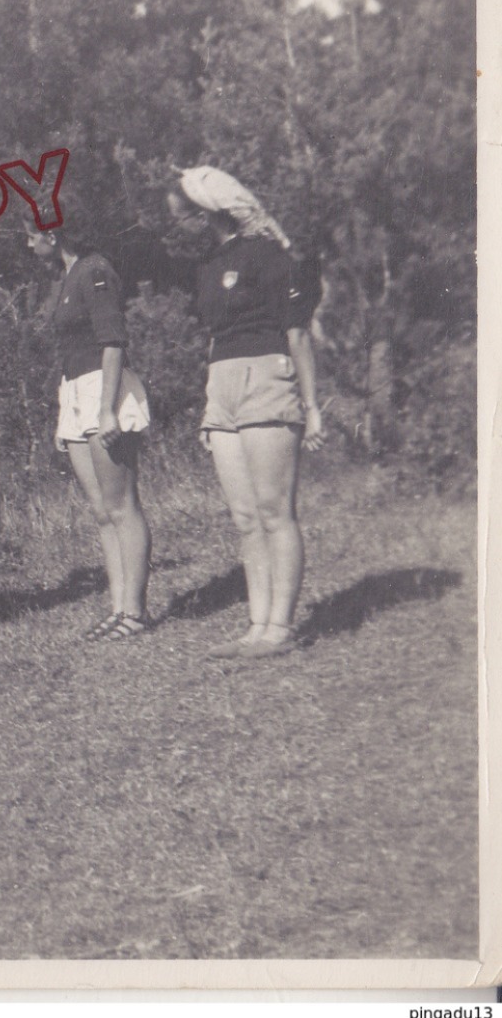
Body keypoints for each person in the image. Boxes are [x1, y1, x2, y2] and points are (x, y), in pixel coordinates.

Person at [167, 166, 326, 660]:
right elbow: (215, 336)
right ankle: (256, 625)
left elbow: (297, 333)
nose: (180, 225)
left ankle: (280, 628)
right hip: (224, 384)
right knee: (244, 518)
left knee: (276, 512)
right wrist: (210, 401)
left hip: (267, 378)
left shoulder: (269, 255)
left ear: (207, 210)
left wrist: (312, 405)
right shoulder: (208, 265)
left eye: (183, 215)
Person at [26, 221, 154, 640]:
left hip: (105, 388)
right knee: (101, 511)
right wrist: (69, 408)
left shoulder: (96, 269)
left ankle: (135, 612)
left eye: (32, 233)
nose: (28, 243)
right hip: (77, 391)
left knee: (121, 505)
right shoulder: (66, 276)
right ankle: (119, 608)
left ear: (53, 233)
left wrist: (106, 409)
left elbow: (113, 341)